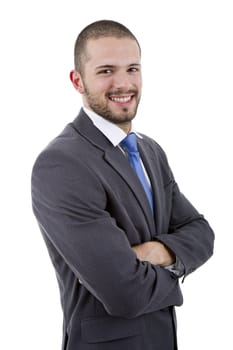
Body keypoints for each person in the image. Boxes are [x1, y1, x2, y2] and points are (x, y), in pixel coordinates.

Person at [31, 20, 214, 350]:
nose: (123, 83)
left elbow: (201, 232)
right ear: (78, 80)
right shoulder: (61, 164)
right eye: (105, 71)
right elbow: (124, 292)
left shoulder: (149, 150)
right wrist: (176, 273)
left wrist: (158, 252)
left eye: (132, 68)